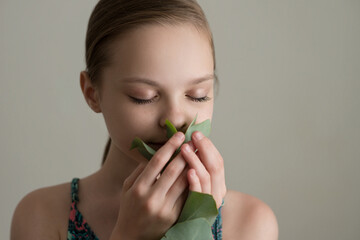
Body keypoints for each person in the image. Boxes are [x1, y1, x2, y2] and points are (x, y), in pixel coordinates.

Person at [11, 0, 278, 239]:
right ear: (92, 94)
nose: (175, 118)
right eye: (144, 96)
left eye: (197, 95)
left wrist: (195, 223)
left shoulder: (251, 223)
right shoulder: (41, 216)